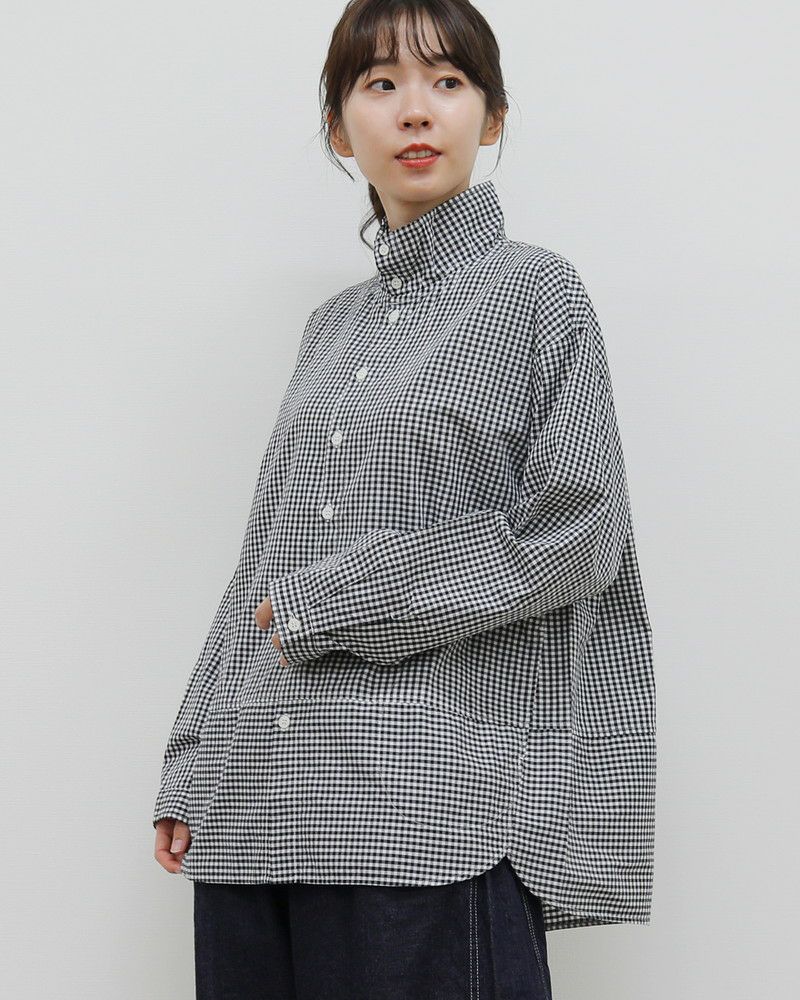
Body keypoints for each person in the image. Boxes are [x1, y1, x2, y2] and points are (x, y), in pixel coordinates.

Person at [152, 2, 656, 997]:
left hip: (421, 811)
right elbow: (263, 559)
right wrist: (193, 757)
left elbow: (576, 532)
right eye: (379, 84)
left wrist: (333, 600)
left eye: (446, 82)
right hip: (254, 809)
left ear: (491, 116)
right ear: (340, 130)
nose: (415, 110)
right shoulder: (329, 329)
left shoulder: (535, 293)